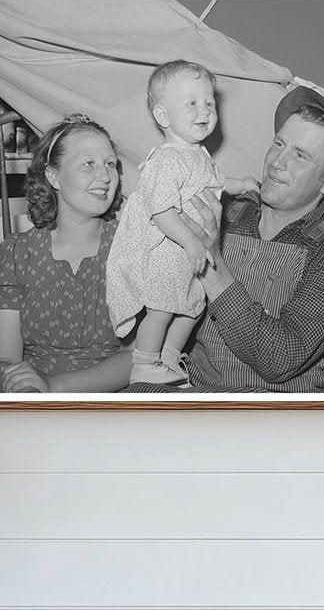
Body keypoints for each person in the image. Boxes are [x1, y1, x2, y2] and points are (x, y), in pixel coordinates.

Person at [181, 85, 324, 393]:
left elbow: (280, 358)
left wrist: (211, 262)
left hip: (282, 414)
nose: (277, 162)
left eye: (300, 156)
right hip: (198, 394)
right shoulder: (225, 216)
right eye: (279, 144)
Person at [105, 60, 259, 386]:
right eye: (191, 103)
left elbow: (216, 181)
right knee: (161, 308)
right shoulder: (165, 159)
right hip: (168, 248)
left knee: (191, 309)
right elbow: (159, 210)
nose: (203, 110)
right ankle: (144, 363)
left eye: (209, 103)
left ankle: (170, 359)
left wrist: (241, 183)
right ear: (163, 116)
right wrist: (190, 241)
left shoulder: (199, 155)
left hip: (189, 254)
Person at [0, 114, 131, 394]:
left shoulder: (129, 250)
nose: (105, 176)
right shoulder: (17, 254)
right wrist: (21, 390)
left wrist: (53, 387)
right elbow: (0, 360)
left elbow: (136, 357)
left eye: (110, 164)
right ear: (53, 176)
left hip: (114, 395)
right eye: (89, 164)